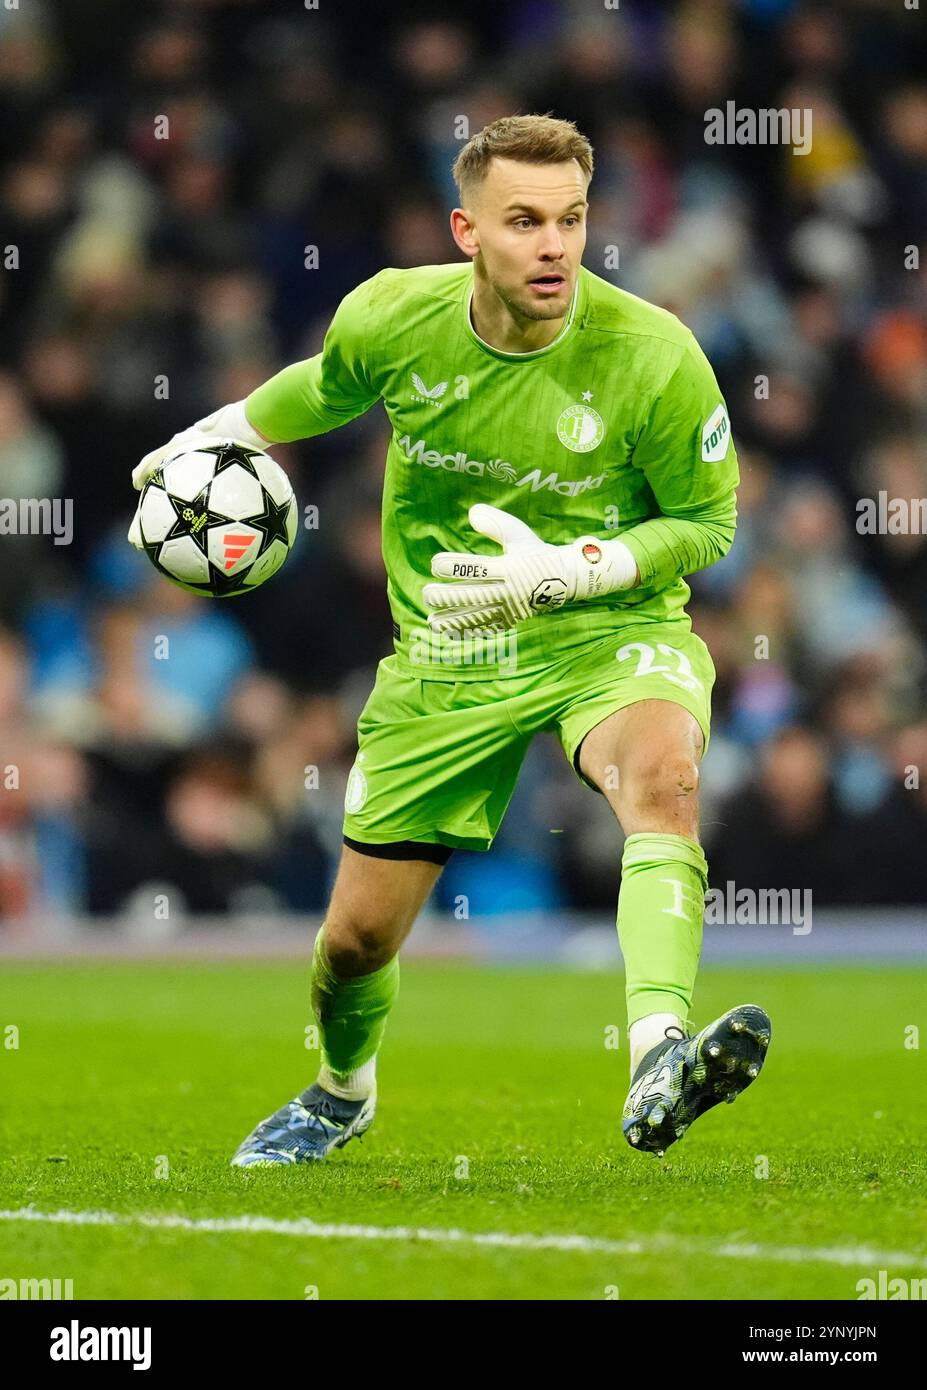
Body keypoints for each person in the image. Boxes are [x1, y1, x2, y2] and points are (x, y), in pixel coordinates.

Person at [130, 114, 770, 1165]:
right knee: (354, 943)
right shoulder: (394, 316)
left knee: (664, 779)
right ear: (467, 229)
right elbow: (325, 387)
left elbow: (709, 525)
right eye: (525, 221)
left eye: (570, 219)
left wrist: (577, 567)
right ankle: (342, 1091)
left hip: (604, 628)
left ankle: (658, 1051)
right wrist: (224, 431)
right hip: (450, 652)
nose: (555, 245)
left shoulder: (656, 358)